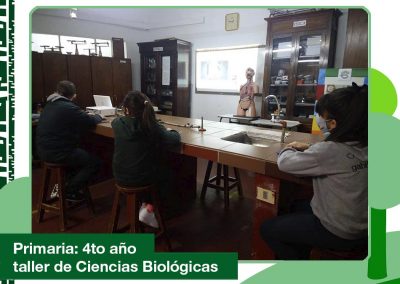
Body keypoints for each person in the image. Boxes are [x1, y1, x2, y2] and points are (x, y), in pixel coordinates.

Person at [260, 83, 368, 260]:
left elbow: (286, 163)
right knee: (294, 205)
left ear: (334, 123)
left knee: (268, 229)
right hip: (366, 228)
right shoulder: (367, 144)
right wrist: (311, 147)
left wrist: (288, 148)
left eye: (323, 117)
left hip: (339, 231)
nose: (320, 121)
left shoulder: (330, 150)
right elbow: (336, 157)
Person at [112, 91, 181, 228]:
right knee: (168, 173)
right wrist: (172, 131)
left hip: (119, 176)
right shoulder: (151, 126)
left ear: (126, 109)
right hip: (142, 178)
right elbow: (174, 139)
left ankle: (144, 204)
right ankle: (149, 208)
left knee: (146, 165)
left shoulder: (117, 123)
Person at [36, 80, 103, 201]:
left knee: (79, 157)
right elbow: (91, 121)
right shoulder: (68, 107)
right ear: (74, 95)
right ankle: (67, 190)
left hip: (42, 151)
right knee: (95, 163)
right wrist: (99, 116)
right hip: (58, 153)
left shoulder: (50, 104)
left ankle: (65, 185)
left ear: (57, 92)